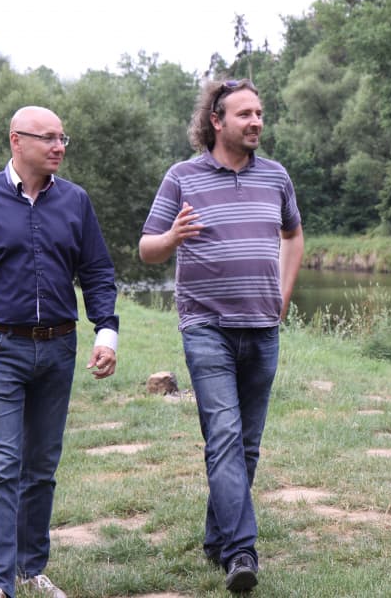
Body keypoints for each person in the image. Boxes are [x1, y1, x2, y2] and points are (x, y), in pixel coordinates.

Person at [0, 106, 120, 598]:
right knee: (2, 466)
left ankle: (30, 568)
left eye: (63, 138)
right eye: (48, 138)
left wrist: (106, 331)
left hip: (59, 348)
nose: (59, 147)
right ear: (16, 140)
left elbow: (97, 271)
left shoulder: (76, 201)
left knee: (40, 468)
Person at [139, 79, 304, 593]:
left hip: (263, 327)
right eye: (245, 114)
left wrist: (283, 293)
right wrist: (173, 237)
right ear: (216, 120)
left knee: (245, 444)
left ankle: (218, 538)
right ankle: (241, 551)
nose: (256, 122)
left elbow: (293, 234)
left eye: (259, 113)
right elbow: (147, 249)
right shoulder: (182, 177)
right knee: (225, 436)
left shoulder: (276, 176)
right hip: (206, 326)